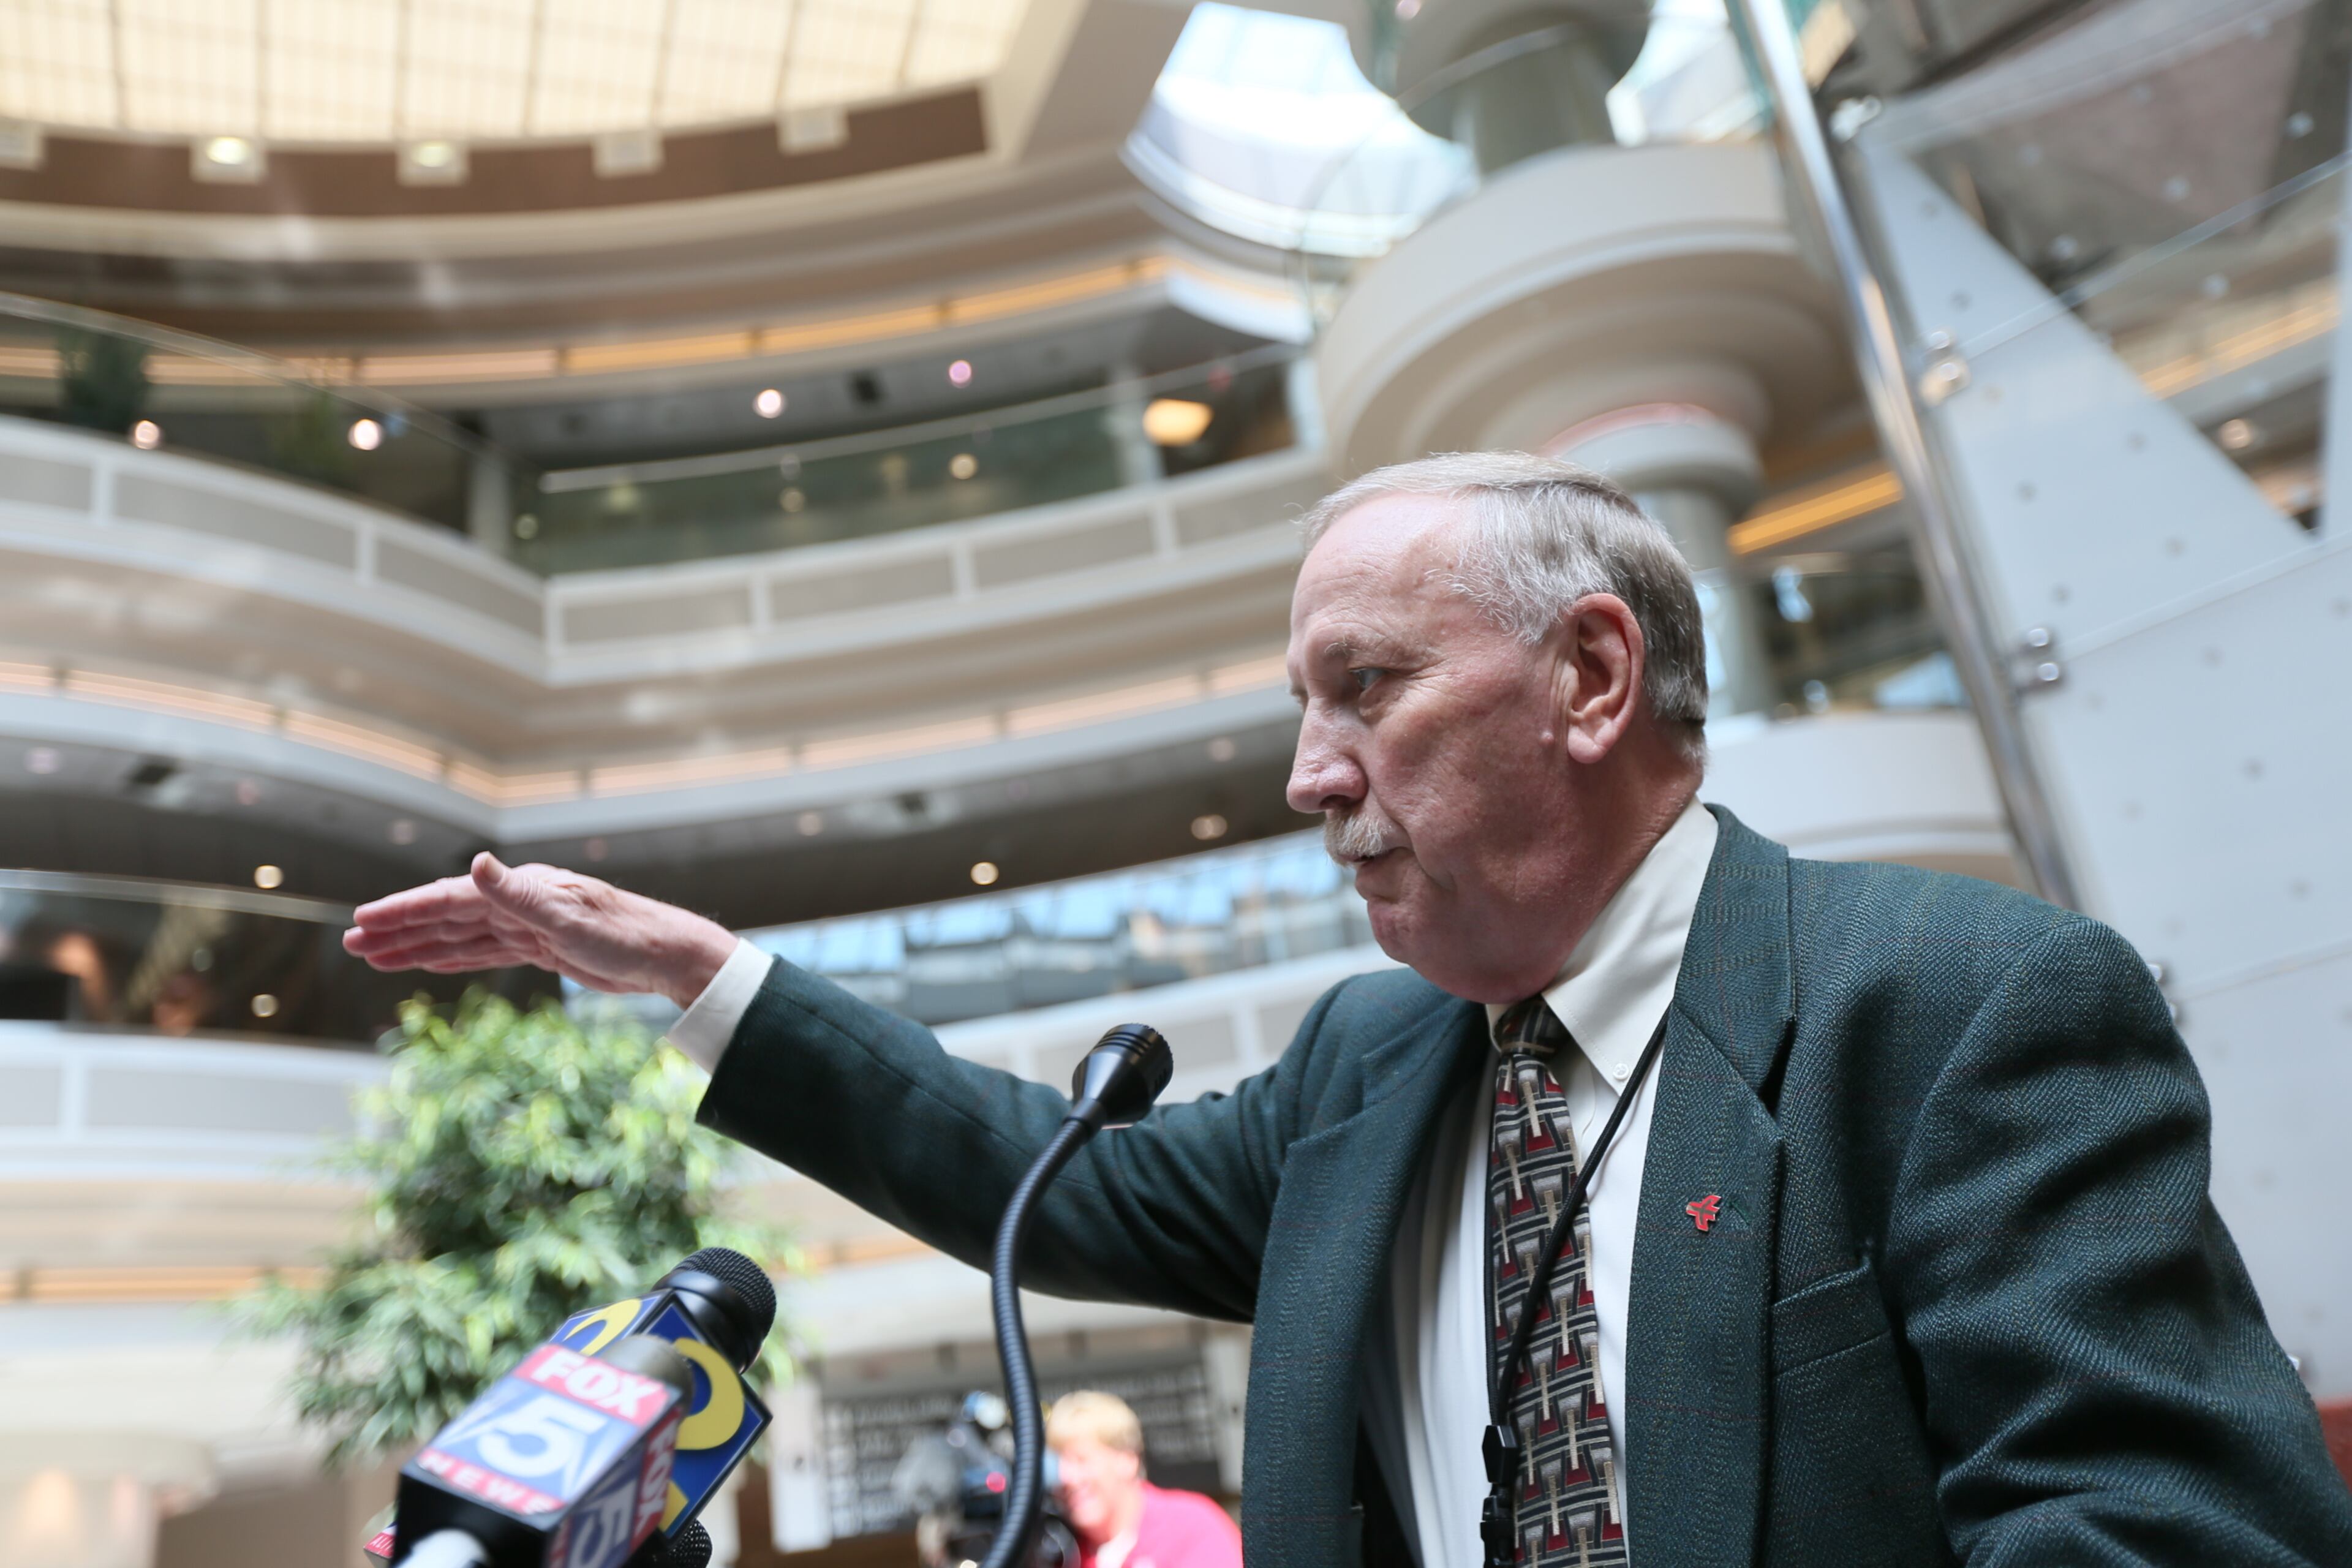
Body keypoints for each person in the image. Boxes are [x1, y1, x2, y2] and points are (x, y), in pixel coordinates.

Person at [345, 453, 2352, 1567]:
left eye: (1363, 690)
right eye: (1300, 711)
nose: (1307, 778)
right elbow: (1031, 1174)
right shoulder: (1360, 1074)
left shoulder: (1964, 1009)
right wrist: (701, 978)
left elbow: (2167, 1535)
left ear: (1586, 678)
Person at [1047, 1391, 1240, 1568]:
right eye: (1057, 1466)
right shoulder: (1058, 1552)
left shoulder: (1189, 1525)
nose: (1067, 1478)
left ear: (1127, 1460)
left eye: (1082, 1460)